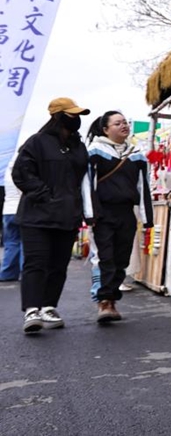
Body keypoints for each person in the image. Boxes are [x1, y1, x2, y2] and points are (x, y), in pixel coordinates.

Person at [12, 97, 90, 333]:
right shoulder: (36, 142)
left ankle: (49, 306)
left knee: (59, 264)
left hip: (68, 216)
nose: (75, 119)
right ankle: (31, 310)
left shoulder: (79, 146)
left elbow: (83, 180)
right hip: (37, 216)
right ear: (57, 116)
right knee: (36, 263)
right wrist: (45, 195)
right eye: (71, 114)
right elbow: (21, 173)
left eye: (78, 115)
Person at [84, 111, 153, 322]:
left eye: (125, 122)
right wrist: (90, 214)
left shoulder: (137, 154)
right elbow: (87, 184)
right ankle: (105, 302)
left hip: (126, 213)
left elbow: (143, 187)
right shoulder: (95, 151)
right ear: (106, 129)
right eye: (117, 123)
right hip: (103, 213)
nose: (123, 125)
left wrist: (147, 217)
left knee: (121, 258)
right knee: (106, 257)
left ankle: (112, 297)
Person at [0, 159, 23, 281]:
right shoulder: (21, 170)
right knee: (25, 243)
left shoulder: (8, 173)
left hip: (7, 211)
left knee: (11, 243)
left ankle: (7, 273)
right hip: (20, 210)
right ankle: (25, 272)